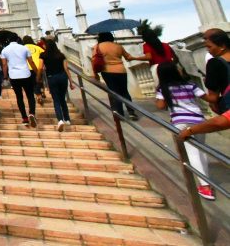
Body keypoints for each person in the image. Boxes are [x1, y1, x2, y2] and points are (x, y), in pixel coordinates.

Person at [154, 62, 213, 200]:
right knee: (201, 150)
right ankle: (207, 181)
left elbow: (160, 106)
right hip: (198, 120)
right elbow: (209, 98)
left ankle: (205, 186)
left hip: (180, 122)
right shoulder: (190, 85)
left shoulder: (163, 88)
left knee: (192, 152)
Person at [92, 32, 147, 121]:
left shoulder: (98, 47)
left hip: (107, 71)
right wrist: (137, 58)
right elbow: (128, 57)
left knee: (114, 92)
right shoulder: (118, 46)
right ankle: (131, 112)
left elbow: (94, 60)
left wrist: (95, 74)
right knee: (124, 91)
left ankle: (119, 113)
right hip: (121, 71)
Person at [38, 40, 75, 131]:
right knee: (62, 99)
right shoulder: (61, 55)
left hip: (52, 78)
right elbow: (66, 69)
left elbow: (40, 67)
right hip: (62, 77)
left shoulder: (43, 55)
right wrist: (71, 81)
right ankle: (67, 119)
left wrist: (38, 78)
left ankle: (60, 120)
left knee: (56, 100)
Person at [2, 34, 39, 127]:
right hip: (26, 74)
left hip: (14, 76)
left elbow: (4, 65)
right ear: (18, 39)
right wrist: (38, 73)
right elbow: (31, 62)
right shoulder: (24, 48)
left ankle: (25, 118)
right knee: (30, 95)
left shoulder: (5, 50)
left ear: (8, 40)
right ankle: (31, 113)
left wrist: (5, 76)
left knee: (19, 97)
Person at [202, 28, 230, 114]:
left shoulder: (214, 63)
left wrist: (195, 91)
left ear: (222, 46)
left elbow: (213, 99)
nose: (208, 50)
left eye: (209, 47)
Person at [23, 36, 46, 106]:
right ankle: (42, 91)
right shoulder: (37, 47)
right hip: (39, 67)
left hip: (28, 68)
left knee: (33, 83)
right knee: (39, 81)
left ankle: (38, 95)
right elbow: (45, 54)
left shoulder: (22, 48)